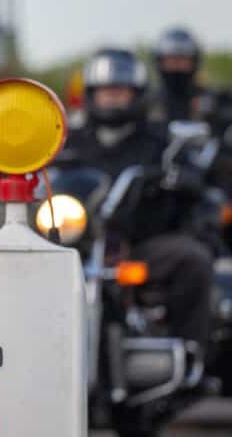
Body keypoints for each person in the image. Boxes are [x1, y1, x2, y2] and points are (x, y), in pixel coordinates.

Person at [58, 47, 213, 352]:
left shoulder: (160, 139)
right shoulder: (67, 138)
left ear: (137, 94)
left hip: (141, 241)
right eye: (104, 91)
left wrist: (182, 177)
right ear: (90, 94)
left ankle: (192, 351)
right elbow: (37, 166)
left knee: (193, 260)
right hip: (76, 243)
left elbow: (192, 170)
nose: (112, 97)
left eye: (119, 90)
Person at [152, 26, 204, 123]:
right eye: (172, 60)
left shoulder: (211, 101)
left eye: (182, 60)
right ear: (160, 63)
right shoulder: (148, 103)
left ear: (194, 63)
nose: (177, 66)